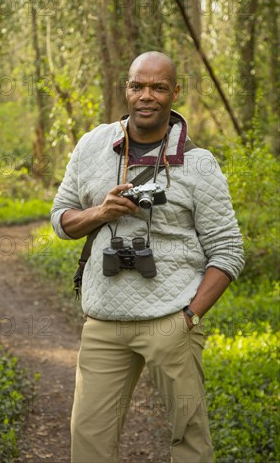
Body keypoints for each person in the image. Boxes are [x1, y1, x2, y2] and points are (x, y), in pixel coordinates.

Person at [51, 51, 244, 463]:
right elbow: (61, 220)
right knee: (88, 440)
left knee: (190, 438)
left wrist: (189, 317)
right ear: (126, 89)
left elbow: (227, 250)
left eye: (158, 87)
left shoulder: (199, 164)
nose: (146, 96)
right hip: (104, 320)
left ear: (175, 93)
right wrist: (100, 213)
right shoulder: (92, 146)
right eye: (137, 86)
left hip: (170, 321)